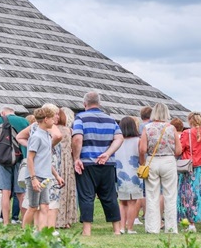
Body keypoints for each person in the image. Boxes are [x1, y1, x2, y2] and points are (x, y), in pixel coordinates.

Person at [72, 91, 124, 236]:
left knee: (86, 196)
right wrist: (107, 153)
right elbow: (119, 138)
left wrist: (76, 158)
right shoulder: (110, 119)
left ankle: (87, 230)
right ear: (99, 103)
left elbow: (77, 138)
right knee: (110, 196)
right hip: (107, 163)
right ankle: (116, 229)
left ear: (84, 104)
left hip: (86, 163)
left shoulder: (80, 118)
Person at [138, 103, 181, 234]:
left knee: (152, 195)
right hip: (168, 160)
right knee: (170, 195)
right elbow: (178, 150)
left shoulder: (147, 128)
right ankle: (171, 228)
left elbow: (142, 149)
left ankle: (152, 228)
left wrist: (142, 163)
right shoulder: (171, 127)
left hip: (153, 160)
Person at [23, 106, 63, 230]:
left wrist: (57, 176)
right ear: (46, 119)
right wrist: (33, 178)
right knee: (33, 207)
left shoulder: (47, 135)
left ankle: (42, 233)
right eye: (52, 118)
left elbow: (46, 159)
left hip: (45, 176)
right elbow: (30, 158)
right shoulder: (36, 137)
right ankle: (25, 232)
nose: (55, 121)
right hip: (36, 176)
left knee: (45, 205)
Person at [0, 106, 30, 226]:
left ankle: (5, 222)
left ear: (3, 113)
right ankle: (25, 222)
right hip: (20, 158)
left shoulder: (0, 120)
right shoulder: (24, 121)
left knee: (5, 192)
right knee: (21, 192)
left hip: (3, 158)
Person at [113, 116, 144, 235]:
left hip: (120, 173)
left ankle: (121, 226)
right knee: (133, 202)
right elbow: (141, 156)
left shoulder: (117, 141)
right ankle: (130, 228)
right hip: (134, 172)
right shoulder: (138, 140)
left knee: (122, 202)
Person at [55, 107, 78, 229]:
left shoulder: (51, 130)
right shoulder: (69, 130)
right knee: (67, 189)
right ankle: (67, 219)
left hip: (56, 159)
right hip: (67, 161)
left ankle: (54, 219)